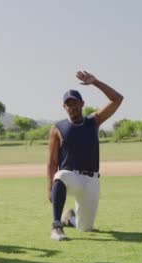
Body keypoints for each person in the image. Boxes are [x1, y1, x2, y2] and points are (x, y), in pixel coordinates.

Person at [48, 71, 123, 241]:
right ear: (64, 107)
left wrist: (96, 82)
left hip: (92, 180)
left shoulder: (93, 121)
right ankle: (56, 226)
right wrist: (49, 186)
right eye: (68, 104)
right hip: (71, 177)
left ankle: (70, 219)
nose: (71, 106)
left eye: (74, 103)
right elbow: (52, 162)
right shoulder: (57, 128)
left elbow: (117, 99)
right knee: (59, 175)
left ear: (82, 104)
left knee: (86, 228)